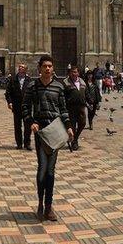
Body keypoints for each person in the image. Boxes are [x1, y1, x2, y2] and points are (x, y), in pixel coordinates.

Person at [23, 55, 73, 222]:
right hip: (41, 131)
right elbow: (25, 107)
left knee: (50, 171)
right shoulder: (33, 86)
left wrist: (69, 127)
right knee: (42, 169)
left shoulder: (59, 87)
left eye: (50, 66)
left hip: (55, 130)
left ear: (53, 68)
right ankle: (40, 203)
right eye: (45, 66)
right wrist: (31, 122)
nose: (47, 69)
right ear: (39, 68)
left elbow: (63, 109)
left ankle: (49, 205)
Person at [5, 64, 32, 150]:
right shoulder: (13, 79)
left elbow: (33, 93)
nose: (20, 68)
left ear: (26, 69)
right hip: (16, 106)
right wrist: (9, 102)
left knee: (27, 126)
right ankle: (19, 144)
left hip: (27, 107)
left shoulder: (29, 80)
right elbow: (8, 92)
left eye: (22, 67)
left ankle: (27, 143)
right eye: (19, 67)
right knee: (17, 126)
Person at [64, 66, 88, 151]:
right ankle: (74, 142)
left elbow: (86, 93)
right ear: (70, 73)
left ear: (78, 73)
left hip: (81, 106)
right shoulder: (65, 82)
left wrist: (89, 101)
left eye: (75, 72)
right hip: (71, 107)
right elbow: (63, 96)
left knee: (83, 123)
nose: (74, 74)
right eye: (72, 72)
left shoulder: (82, 81)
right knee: (73, 125)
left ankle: (75, 137)